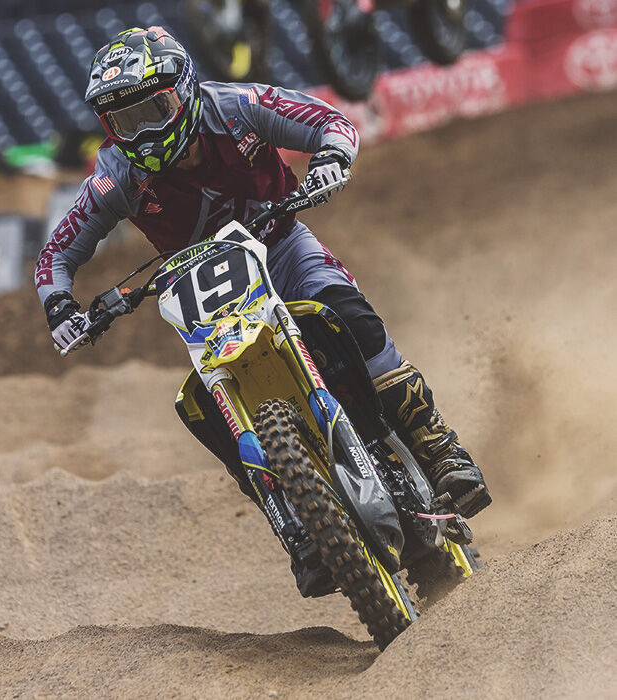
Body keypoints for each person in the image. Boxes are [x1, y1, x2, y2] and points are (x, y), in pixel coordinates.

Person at [36, 26, 491, 597]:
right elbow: (55, 255)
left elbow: (329, 121)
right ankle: (297, 526)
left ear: (184, 90)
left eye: (153, 110)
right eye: (125, 121)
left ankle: (438, 446)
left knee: (346, 313)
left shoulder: (238, 108)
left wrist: (331, 157)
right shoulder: (115, 177)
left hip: (282, 247)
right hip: (202, 285)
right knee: (203, 404)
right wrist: (60, 306)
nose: (144, 131)